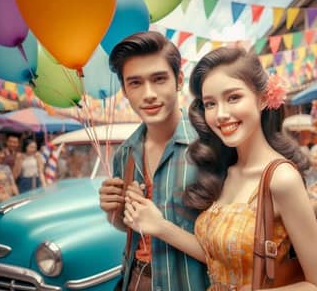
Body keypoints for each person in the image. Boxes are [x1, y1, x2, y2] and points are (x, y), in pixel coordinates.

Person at [124, 47, 317, 290]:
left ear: (263, 98)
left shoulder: (281, 178)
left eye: (233, 97)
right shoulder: (225, 170)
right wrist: (160, 227)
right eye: (210, 104)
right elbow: (218, 257)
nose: (221, 114)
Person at [99, 31, 208, 291]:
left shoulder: (209, 147)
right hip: (136, 280)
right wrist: (112, 211)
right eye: (135, 83)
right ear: (125, 90)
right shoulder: (125, 154)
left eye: (159, 79)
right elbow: (130, 228)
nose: (148, 94)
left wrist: (162, 226)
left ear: (178, 80)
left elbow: (233, 246)